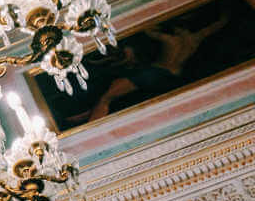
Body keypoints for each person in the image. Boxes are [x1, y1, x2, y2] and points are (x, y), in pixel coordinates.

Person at [85, 12, 230, 121]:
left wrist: (154, 25)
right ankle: (89, 113)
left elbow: (146, 29)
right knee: (114, 89)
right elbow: (215, 26)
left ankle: (92, 124)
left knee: (107, 97)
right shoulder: (195, 39)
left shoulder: (171, 39)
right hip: (173, 75)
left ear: (178, 28)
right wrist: (224, 16)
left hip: (155, 73)